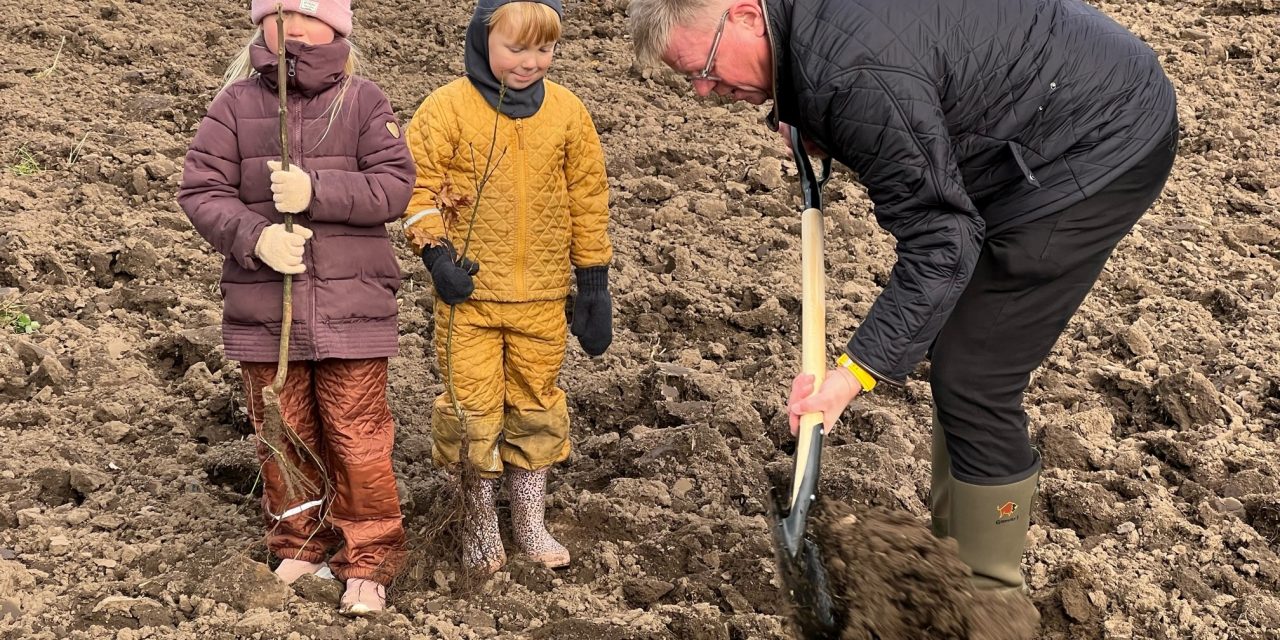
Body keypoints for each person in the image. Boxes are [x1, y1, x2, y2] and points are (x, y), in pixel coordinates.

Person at [627, 0, 1178, 620]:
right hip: (1049, 96)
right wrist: (803, 109)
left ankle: (991, 605)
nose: (704, 90)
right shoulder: (810, 38)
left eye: (703, 66)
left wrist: (851, 374)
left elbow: (942, 240)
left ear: (747, 15)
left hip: (1098, 139)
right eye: (688, 80)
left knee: (975, 371)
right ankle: (957, 559)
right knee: (961, 352)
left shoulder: (855, 76)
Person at [178, 0, 414, 615]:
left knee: (357, 435)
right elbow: (201, 189)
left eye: (308, 14)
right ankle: (301, 542)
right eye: (279, 14)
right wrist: (256, 237)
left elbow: (394, 186)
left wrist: (317, 191)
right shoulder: (234, 104)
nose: (293, 29)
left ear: (337, 27)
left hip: (351, 311)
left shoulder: (363, 101)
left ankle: (369, 556)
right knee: (282, 431)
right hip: (266, 315)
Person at [401, 0, 612, 574]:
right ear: (482, 38)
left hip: (543, 299)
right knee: (471, 409)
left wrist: (593, 283)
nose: (531, 62)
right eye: (516, 48)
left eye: (543, 49)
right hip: (469, 300)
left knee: (536, 405)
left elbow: (588, 200)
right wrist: (438, 257)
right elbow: (416, 191)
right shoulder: (446, 109)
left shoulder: (568, 113)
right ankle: (478, 521)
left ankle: (530, 519)